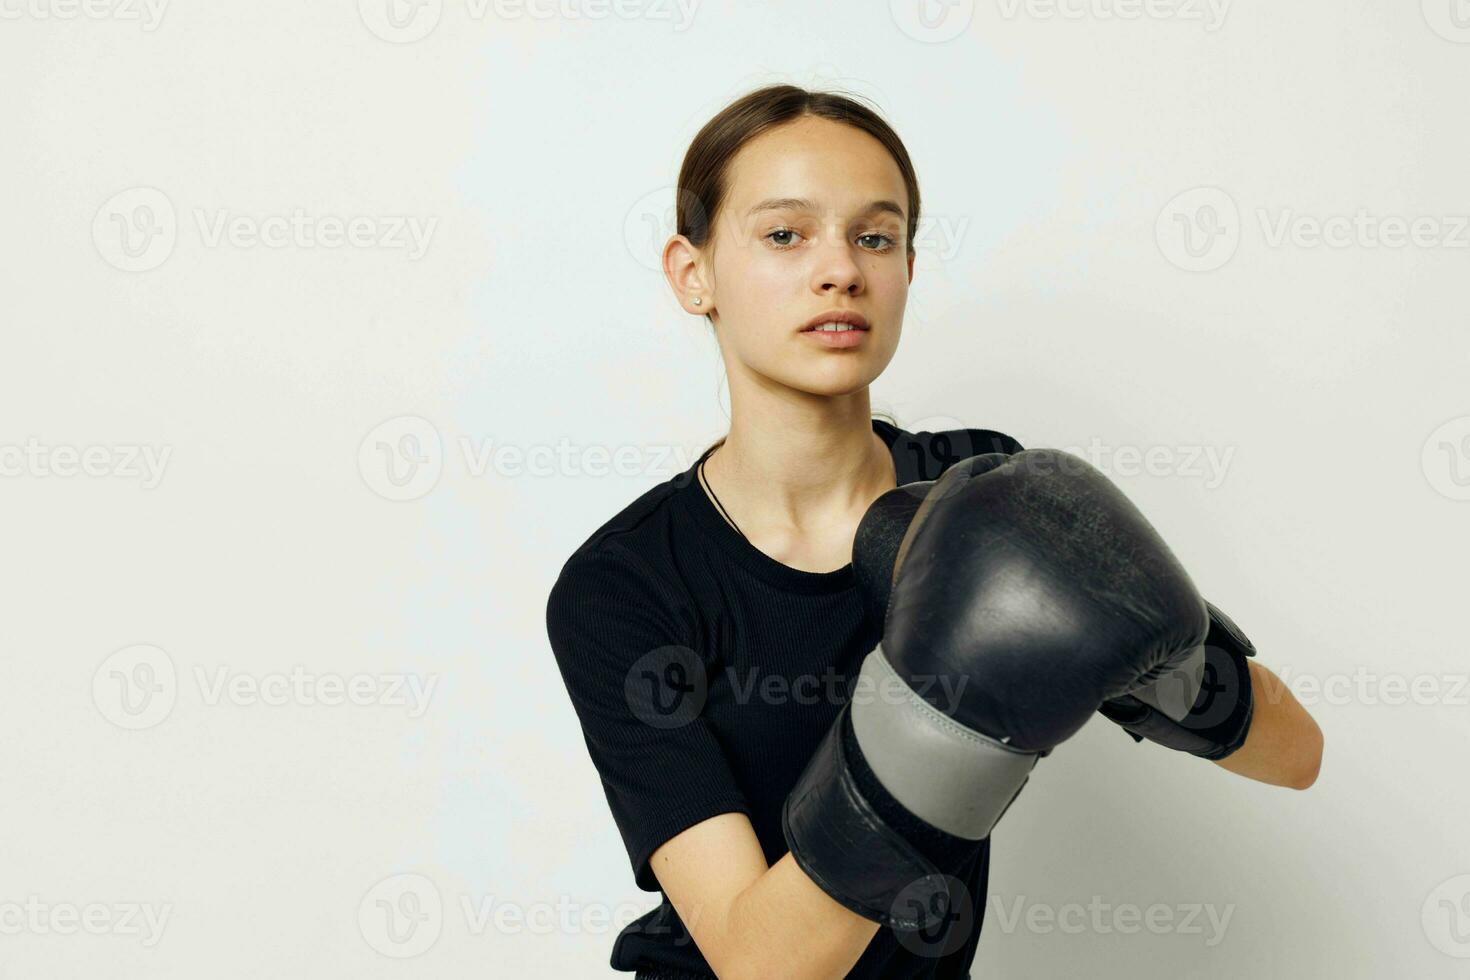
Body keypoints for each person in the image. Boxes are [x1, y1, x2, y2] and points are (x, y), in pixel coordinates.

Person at [544, 84, 1323, 979]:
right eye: (785, 234)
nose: (840, 269)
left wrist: (1163, 656)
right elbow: (764, 966)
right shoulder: (627, 586)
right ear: (694, 274)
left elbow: (1297, 757)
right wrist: (939, 733)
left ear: (909, 268)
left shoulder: (977, 490)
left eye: (875, 236)